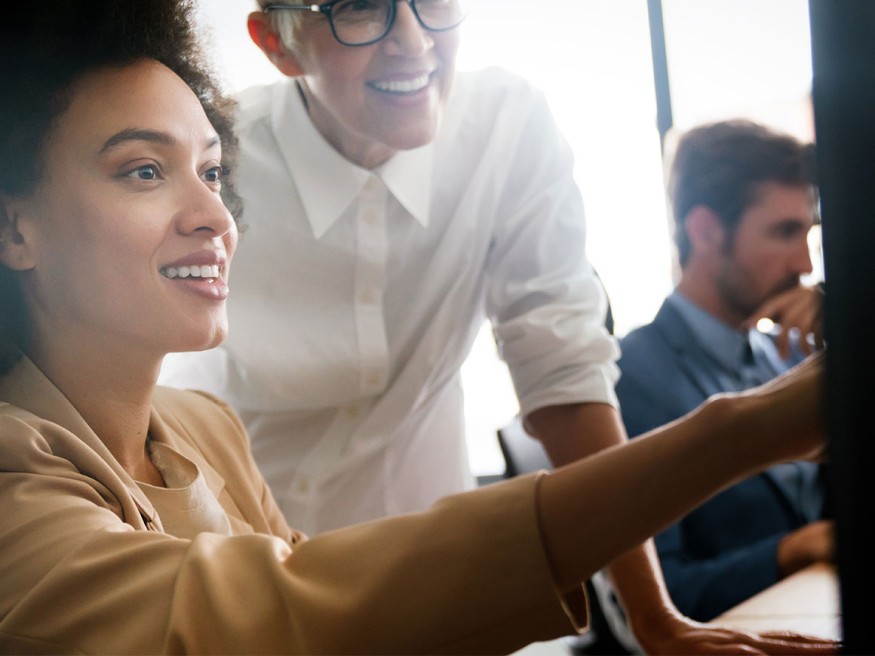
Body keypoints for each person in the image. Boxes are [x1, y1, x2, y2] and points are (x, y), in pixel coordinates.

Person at [0, 1, 836, 654]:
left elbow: (559, 365)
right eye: (144, 170)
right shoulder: (20, 482)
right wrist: (745, 428)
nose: (217, 213)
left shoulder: (200, 432)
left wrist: (652, 617)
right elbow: (284, 610)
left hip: (419, 578)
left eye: (213, 172)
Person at [614, 120, 832, 621]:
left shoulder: (786, 355)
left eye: (809, 234)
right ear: (707, 231)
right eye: (784, 232)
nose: (804, 262)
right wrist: (792, 548)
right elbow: (658, 599)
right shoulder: (633, 377)